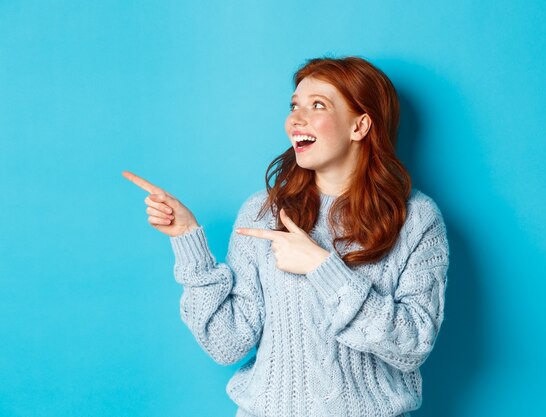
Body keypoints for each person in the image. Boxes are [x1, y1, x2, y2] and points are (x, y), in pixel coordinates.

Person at [123, 56, 449, 417]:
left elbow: (413, 344)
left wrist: (322, 267)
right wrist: (187, 241)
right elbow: (225, 344)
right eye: (294, 105)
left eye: (317, 105)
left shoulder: (416, 218)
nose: (296, 118)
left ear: (360, 126)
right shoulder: (262, 212)